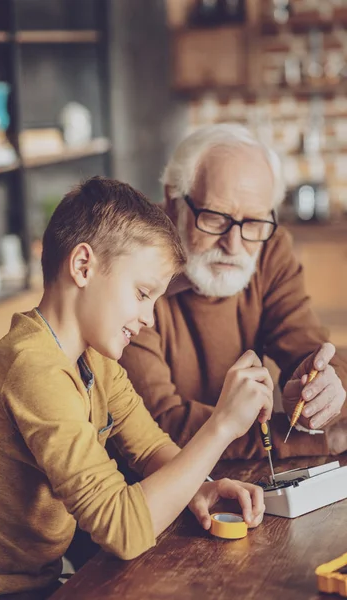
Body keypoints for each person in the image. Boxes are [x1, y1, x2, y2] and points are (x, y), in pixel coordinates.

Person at [0, 177, 273, 600]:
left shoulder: (94, 358)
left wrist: (202, 487)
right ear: (83, 267)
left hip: (37, 582)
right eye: (142, 293)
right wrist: (222, 425)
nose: (150, 318)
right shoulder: (33, 368)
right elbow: (123, 530)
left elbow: (149, 446)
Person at [120, 124, 347, 459]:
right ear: (173, 200)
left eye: (254, 222)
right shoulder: (132, 261)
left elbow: (310, 348)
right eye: (214, 218)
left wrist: (320, 387)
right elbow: (157, 423)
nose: (234, 244)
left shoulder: (268, 246)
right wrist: (312, 439)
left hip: (237, 469)